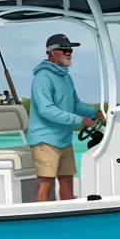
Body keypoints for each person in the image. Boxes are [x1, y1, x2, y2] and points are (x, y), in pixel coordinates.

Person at [27, 33, 104, 201]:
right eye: (63, 50)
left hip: (64, 139)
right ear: (51, 53)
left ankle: (68, 216)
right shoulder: (42, 78)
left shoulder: (66, 77)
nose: (68, 53)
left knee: (67, 179)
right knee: (46, 181)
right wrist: (79, 120)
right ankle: (42, 218)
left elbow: (75, 103)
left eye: (70, 50)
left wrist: (95, 113)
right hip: (44, 140)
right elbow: (46, 110)